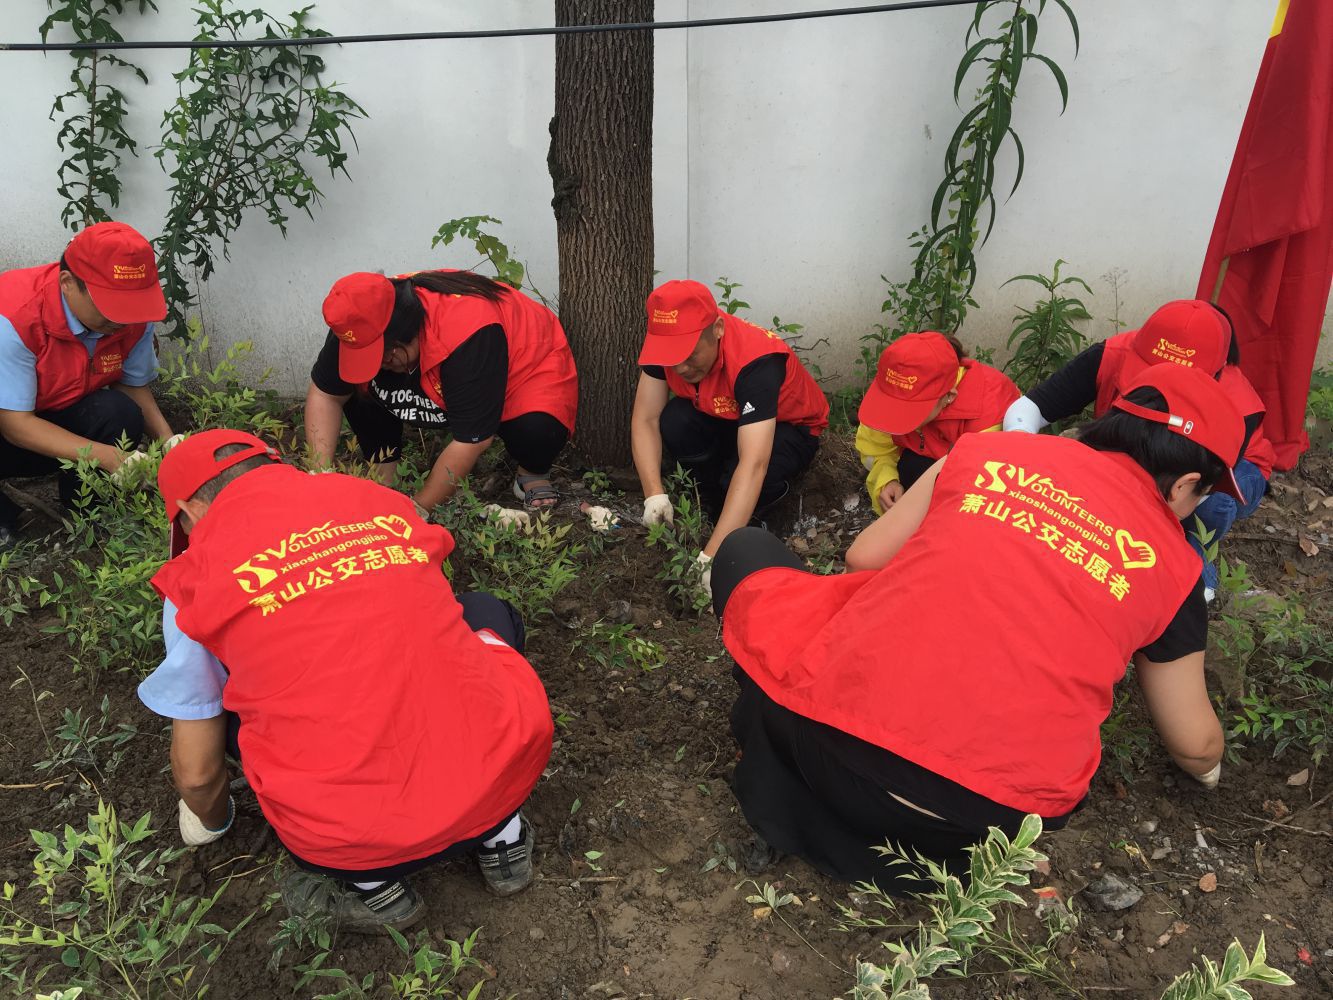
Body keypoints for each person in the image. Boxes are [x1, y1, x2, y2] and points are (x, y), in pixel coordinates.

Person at [708, 364, 1243, 891]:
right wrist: (1211, 769)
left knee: (747, 552)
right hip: (974, 827)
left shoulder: (986, 452)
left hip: (819, 752)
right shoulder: (1175, 568)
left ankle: (788, 781)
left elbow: (863, 559)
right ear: (1185, 485)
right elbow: (1195, 745)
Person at [139, 429, 553, 931]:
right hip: (501, 780)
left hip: (353, 838)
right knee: (477, 615)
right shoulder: (374, 500)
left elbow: (198, 775)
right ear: (276, 466)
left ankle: (379, 893)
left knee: (220, 709)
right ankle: (504, 842)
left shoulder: (197, 574)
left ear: (190, 508)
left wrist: (213, 820)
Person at [1003, 299, 1275, 597]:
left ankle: (1197, 575)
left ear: (1215, 375)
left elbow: (1193, 492)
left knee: (1212, 507)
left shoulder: (1237, 405)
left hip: (1233, 472)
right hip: (1138, 461)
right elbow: (1031, 408)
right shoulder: (1112, 354)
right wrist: (1024, 462)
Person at [305, 269, 578, 514]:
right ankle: (384, 478)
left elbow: (472, 440)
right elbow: (325, 395)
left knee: (536, 430)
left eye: (384, 356)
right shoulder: (356, 324)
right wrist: (320, 476)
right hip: (447, 368)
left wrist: (416, 511)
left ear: (406, 333)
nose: (379, 364)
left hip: (522, 367)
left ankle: (531, 473)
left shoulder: (469, 332)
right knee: (357, 384)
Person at [631, 280, 828, 594]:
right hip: (726, 415)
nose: (680, 367)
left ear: (718, 329)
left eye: (690, 354)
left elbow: (754, 464)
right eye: (671, 357)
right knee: (676, 420)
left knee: (744, 474)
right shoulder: (666, 345)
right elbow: (646, 418)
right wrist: (653, 494)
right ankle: (714, 503)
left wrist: (712, 559)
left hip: (789, 428)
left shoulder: (757, 362)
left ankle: (760, 514)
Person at [0, 222, 176, 544]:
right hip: (9, 428)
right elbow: (14, 424)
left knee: (119, 412)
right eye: (111, 305)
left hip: (46, 417)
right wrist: (109, 457)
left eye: (131, 305)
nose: (122, 319)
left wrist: (169, 442)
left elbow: (131, 385)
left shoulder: (131, 319)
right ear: (67, 283)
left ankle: (87, 509)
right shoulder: (13, 316)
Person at [856, 331, 1019, 514]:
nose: (894, 415)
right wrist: (886, 480)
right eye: (892, 403)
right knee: (911, 468)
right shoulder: (897, 385)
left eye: (909, 410)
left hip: (972, 486)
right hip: (930, 460)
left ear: (949, 396)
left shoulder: (989, 413)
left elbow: (986, 490)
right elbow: (875, 448)